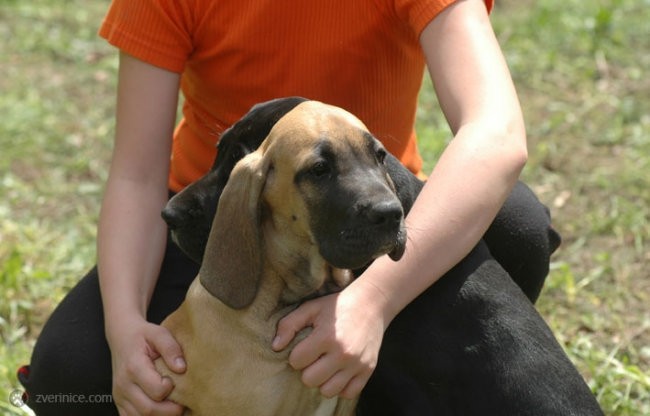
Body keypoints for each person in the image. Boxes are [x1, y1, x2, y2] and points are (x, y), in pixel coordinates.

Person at [17, 0, 557, 414]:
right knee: (70, 377)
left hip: (371, 226)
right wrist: (124, 327)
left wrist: (372, 303)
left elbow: (497, 133)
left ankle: (398, 378)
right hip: (227, 232)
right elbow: (137, 176)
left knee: (514, 225)